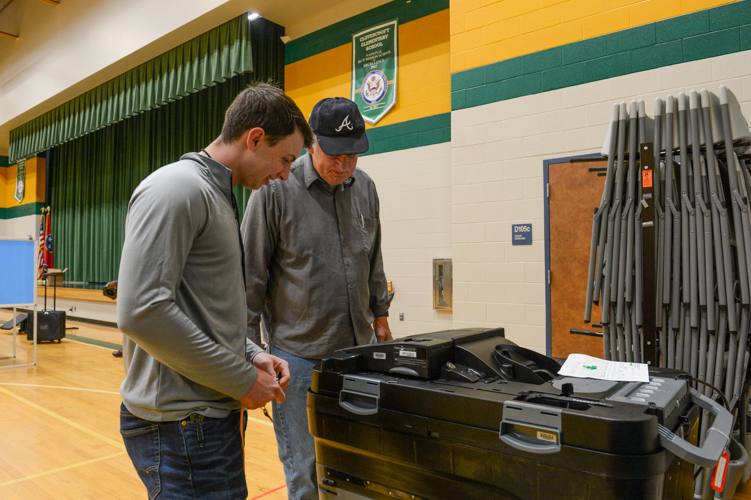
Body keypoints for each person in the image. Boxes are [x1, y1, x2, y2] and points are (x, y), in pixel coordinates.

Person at [117, 82, 314, 500]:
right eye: (284, 159)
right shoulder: (177, 188)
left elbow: (203, 310)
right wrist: (243, 378)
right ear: (254, 138)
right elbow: (141, 311)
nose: (283, 175)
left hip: (205, 420)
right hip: (181, 425)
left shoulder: (218, 196)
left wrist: (250, 353)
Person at [241, 96, 393, 500]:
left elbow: (373, 258)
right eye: (333, 155)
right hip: (297, 360)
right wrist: (247, 352)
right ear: (311, 144)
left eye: (352, 157)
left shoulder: (365, 189)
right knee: (305, 470)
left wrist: (381, 315)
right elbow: (249, 278)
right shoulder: (275, 189)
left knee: (356, 464)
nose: (343, 166)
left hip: (358, 355)